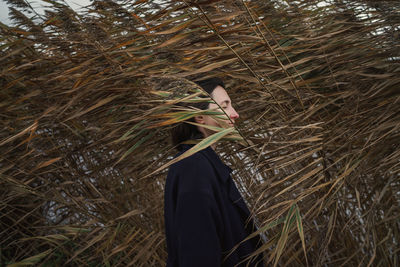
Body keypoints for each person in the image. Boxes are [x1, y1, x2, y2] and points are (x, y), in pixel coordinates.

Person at [164, 78, 263, 267]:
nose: (235, 114)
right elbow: (198, 255)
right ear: (200, 117)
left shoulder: (201, 165)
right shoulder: (193, 169)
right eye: (225, 106)